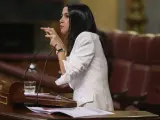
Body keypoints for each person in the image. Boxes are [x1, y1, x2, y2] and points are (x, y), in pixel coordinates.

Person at [41, 3, 114, 111]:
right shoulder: (84, 38)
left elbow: (68, 73)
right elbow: (71, 71)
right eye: (61, 16)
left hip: (93, 106)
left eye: (66, 16)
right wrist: (60, 44)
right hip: (86, 104)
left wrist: (59, 48)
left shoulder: (86, 37)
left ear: (77, 19)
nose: (61, 20)